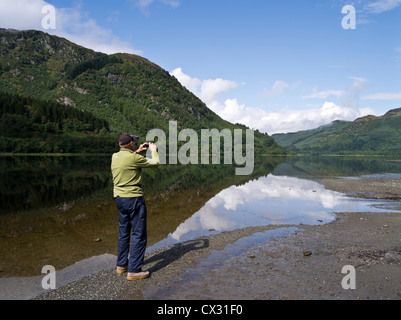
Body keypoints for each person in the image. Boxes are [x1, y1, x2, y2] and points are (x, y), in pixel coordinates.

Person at [111, 133, 159, 280]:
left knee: (124, 232)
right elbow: (155, 162)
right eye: (134, 141)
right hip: (134, 199)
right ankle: (134, 271)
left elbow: (129, 159)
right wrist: (153, 150)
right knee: (138, 234)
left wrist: (137, 151)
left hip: (120, 199)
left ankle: (121, 265)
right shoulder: (133, 158)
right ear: (130, 143)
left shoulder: (115, 156)